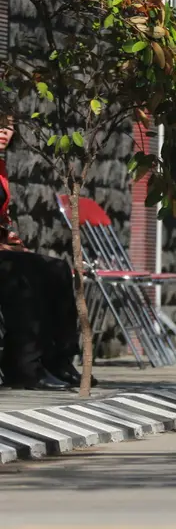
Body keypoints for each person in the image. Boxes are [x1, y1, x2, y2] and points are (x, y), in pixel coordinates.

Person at [0, 115, 82, 390]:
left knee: (56, 269)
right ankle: (24, 367)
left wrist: (9, 238)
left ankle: (58, 359)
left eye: (9, 126)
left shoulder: (1, 168)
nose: (4, 131)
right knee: (22, 277)